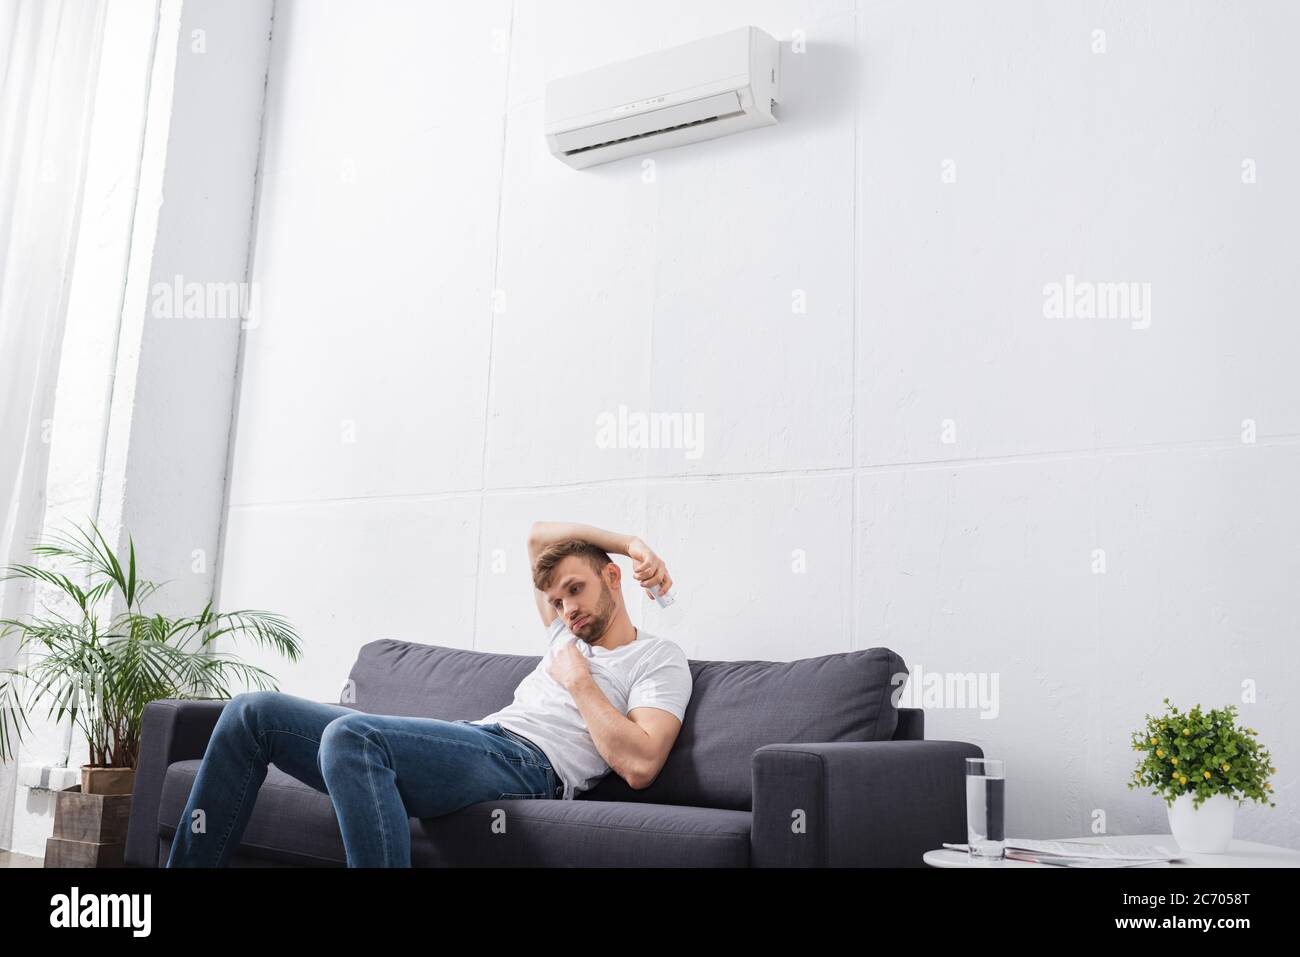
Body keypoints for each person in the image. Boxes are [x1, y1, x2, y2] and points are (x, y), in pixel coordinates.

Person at [165, 521, 693, 867]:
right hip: (481, 739)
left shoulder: (656, 658)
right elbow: (538, 536)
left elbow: (641, 763)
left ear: (612, 578)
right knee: (251, 711)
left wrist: (579, 683)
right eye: (555, 600)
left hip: (530, 767)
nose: (566, 608)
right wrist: (632, 542)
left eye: (575, 589)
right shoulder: (563, 632)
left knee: (352, 737)